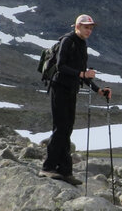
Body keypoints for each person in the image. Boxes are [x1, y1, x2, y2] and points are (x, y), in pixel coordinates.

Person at [42, 13, 111, 185]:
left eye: (91, 28)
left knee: (67, 129)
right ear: (77, 26)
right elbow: (60, 66)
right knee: (61, 128)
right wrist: (82, 74)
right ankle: (47, 167)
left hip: (71, 90)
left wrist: (98, 90)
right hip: (59, 88)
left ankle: (65, 171)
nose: (89, 30)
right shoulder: (68, 41)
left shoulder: (82, 45)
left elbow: (84, 75)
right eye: (86, 27)